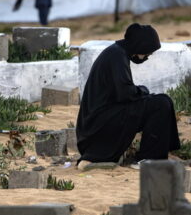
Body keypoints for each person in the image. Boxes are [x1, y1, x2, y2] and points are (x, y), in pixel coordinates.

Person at [76, 23, 180, 170]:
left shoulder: (117, 52)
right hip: (98, 126)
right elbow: (125, 94)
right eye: (148, 52)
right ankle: (148, 159)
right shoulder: (117, 56)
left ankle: (159, 154)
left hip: (100, 120)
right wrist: (143, 91)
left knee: (163, 101)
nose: (147, 57)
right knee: (161, 104)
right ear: (140, 46)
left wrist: (142, 93)